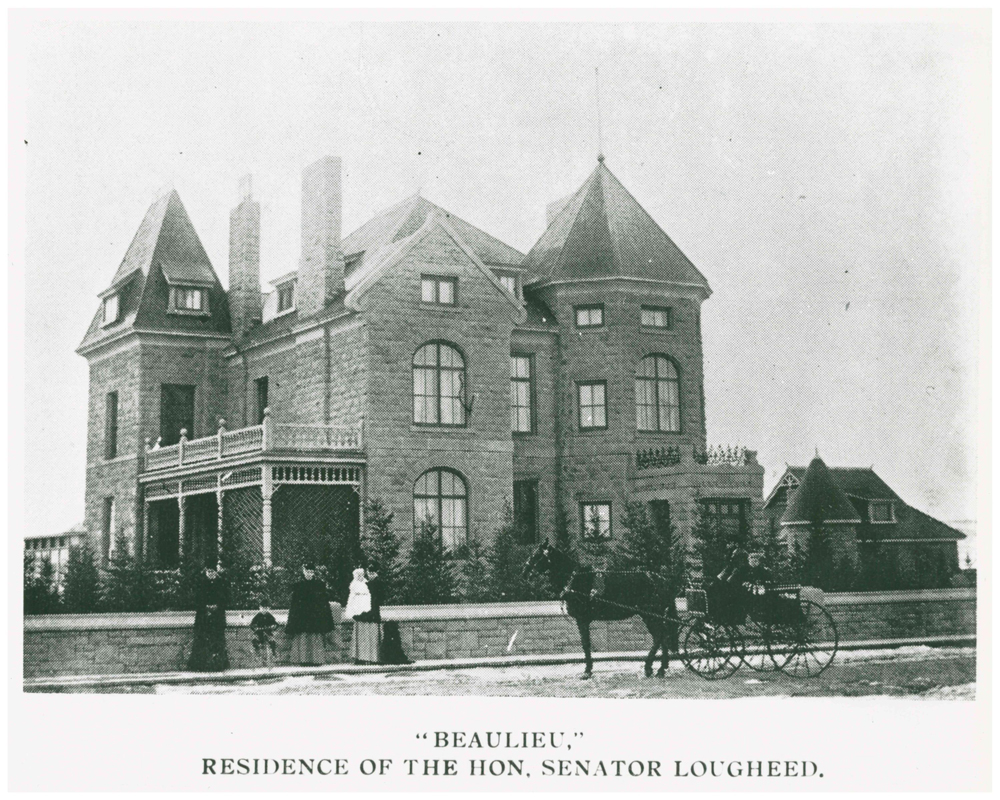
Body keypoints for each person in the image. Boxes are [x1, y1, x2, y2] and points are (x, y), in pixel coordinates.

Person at [285, 563, 335, 666]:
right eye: (307, 571)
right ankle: (303, 660)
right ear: (304, 572)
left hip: (315, 616)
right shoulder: (298, 585)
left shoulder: (319, 585)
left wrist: (323, 616)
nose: (309, 574)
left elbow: (324, 602)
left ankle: (316, 660)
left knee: (315, 637)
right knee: (303, 637)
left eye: (311, 572)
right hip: (302, 616)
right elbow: (294, 604)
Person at [187, 566, 229, 671]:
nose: (211, 574)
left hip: (217, 617)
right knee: (202, 640)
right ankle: (201, 666)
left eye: (213, 571)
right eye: (209, 571)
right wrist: (206, 607)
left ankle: (217, 665)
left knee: (217, 640)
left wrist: (217, 606)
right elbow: (197, 598)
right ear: (206, 572)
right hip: (204, 617)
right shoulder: (201, 583)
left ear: (216, 572)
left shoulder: (221, 584)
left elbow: (226, 598)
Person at [346, 567, 381, 664]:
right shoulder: (356, 585)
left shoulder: (370, 584)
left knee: (371, 637)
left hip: (371, 614)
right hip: (360, 614)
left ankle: (372, 658)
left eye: (373, 573)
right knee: (361, 638)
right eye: (369, 573)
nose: (371, 575)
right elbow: (351, 599)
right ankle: (360, 658)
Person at [249, 603, 279, 668]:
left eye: (265, 608)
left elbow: (275, 623)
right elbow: (252, 624)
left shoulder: (269, 615)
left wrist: (273, 626)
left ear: (267, 608)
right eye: (262, 608)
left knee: (272, 640)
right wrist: (255, 627)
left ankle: (274, 653)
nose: (264, 610)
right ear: (260, 608)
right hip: (259, 632)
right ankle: (257, 652)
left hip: (267, 632)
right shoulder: (258, 615)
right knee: (254, 639)